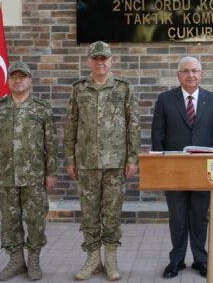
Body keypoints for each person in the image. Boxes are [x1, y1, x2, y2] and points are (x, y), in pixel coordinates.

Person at [64, 41, 141, 281]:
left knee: (112, 213)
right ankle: (92, 258)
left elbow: (134, 125)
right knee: (88, 213)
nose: (100, 62)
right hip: (86, 162)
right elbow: (71, 126)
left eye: (104, 58)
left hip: (115, 162)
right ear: (89, 61)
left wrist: (132, 158)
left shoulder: (123, 89)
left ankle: (110, 258)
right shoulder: (79, 89)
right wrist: (70, 159)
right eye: (96, 58)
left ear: (111, 61)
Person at [151, 56, 213, 279]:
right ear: (178, 75)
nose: (190, 75)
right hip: (174, 170)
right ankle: (176, 261)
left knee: (199, 217)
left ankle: (201, 260)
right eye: (186, 71)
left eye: (195, 71)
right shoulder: (165, 99)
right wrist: (159, 168)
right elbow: (158, 135)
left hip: (204, 171)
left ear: (201, 74)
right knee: (177, 216)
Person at [0, 61, 58, 281]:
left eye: (22, 76)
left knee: (36, 219)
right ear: (8, 81)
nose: (18, 80)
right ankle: (16, 261)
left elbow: (51, 144)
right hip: (7, 175)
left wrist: (50, 172)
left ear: (30, 80)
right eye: (14, 77)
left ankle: (34, 259)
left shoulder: (41, 108)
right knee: (9, 220)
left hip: (34, 176)